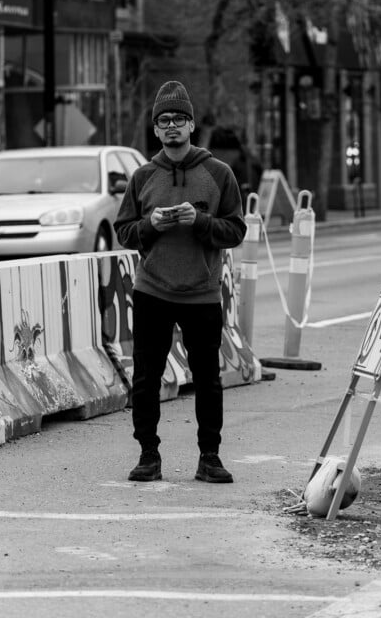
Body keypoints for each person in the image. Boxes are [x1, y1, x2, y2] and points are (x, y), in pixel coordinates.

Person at [114, 80, 246, 484]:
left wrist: (201, 222)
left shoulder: (218, 174)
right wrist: (149, 226)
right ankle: (148, 455)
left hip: (202, 294)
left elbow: (236, 230)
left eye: (179, 119)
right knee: (146, 378)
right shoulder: (142, 177)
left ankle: (210, 457)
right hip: (152, 290)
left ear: (191, 126)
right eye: (164, 120)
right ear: (155, 130)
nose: (171, 127)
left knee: (207, 378)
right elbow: (124, 231)